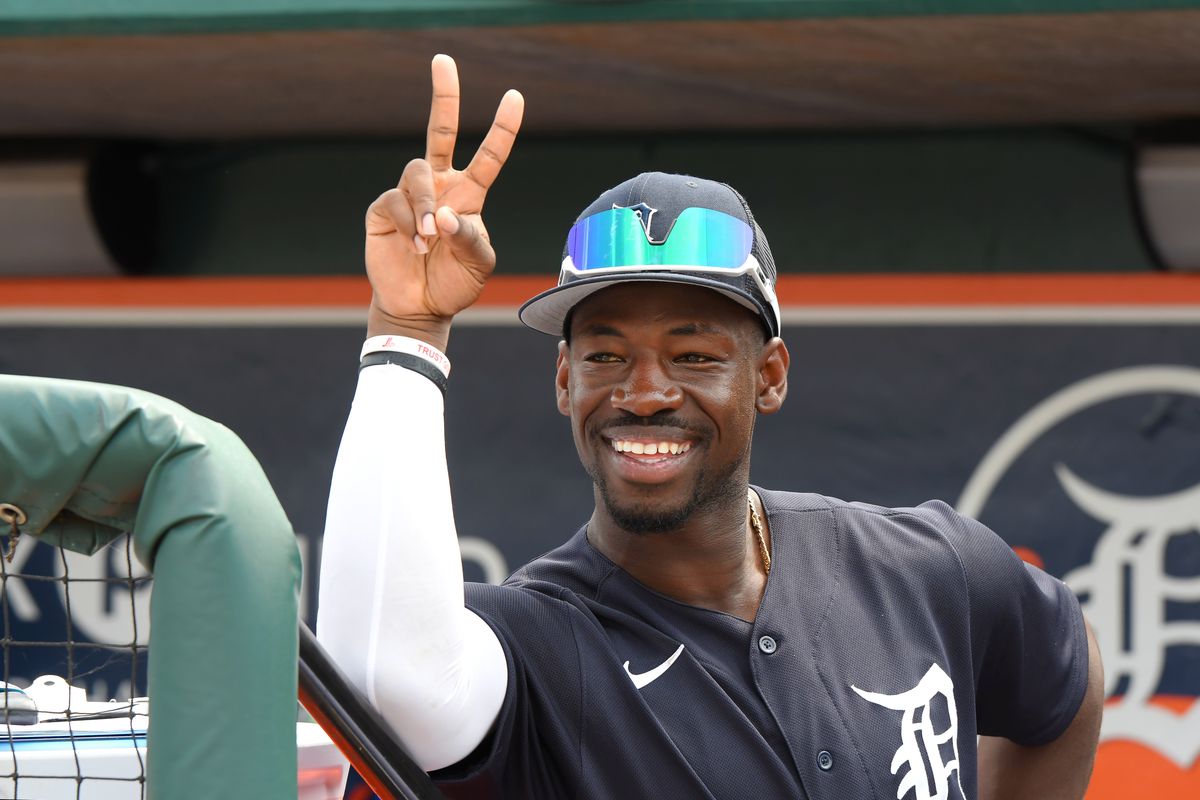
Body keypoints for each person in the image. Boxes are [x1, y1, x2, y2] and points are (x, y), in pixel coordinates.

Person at [317, 55, 1103, 800]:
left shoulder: (923, 569)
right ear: (566, 382)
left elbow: (1068, 675)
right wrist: (408, 327)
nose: (646, 392)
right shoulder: (540, 646)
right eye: (606, 354)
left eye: (692, 355)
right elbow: (389, 675)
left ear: (768, 377)